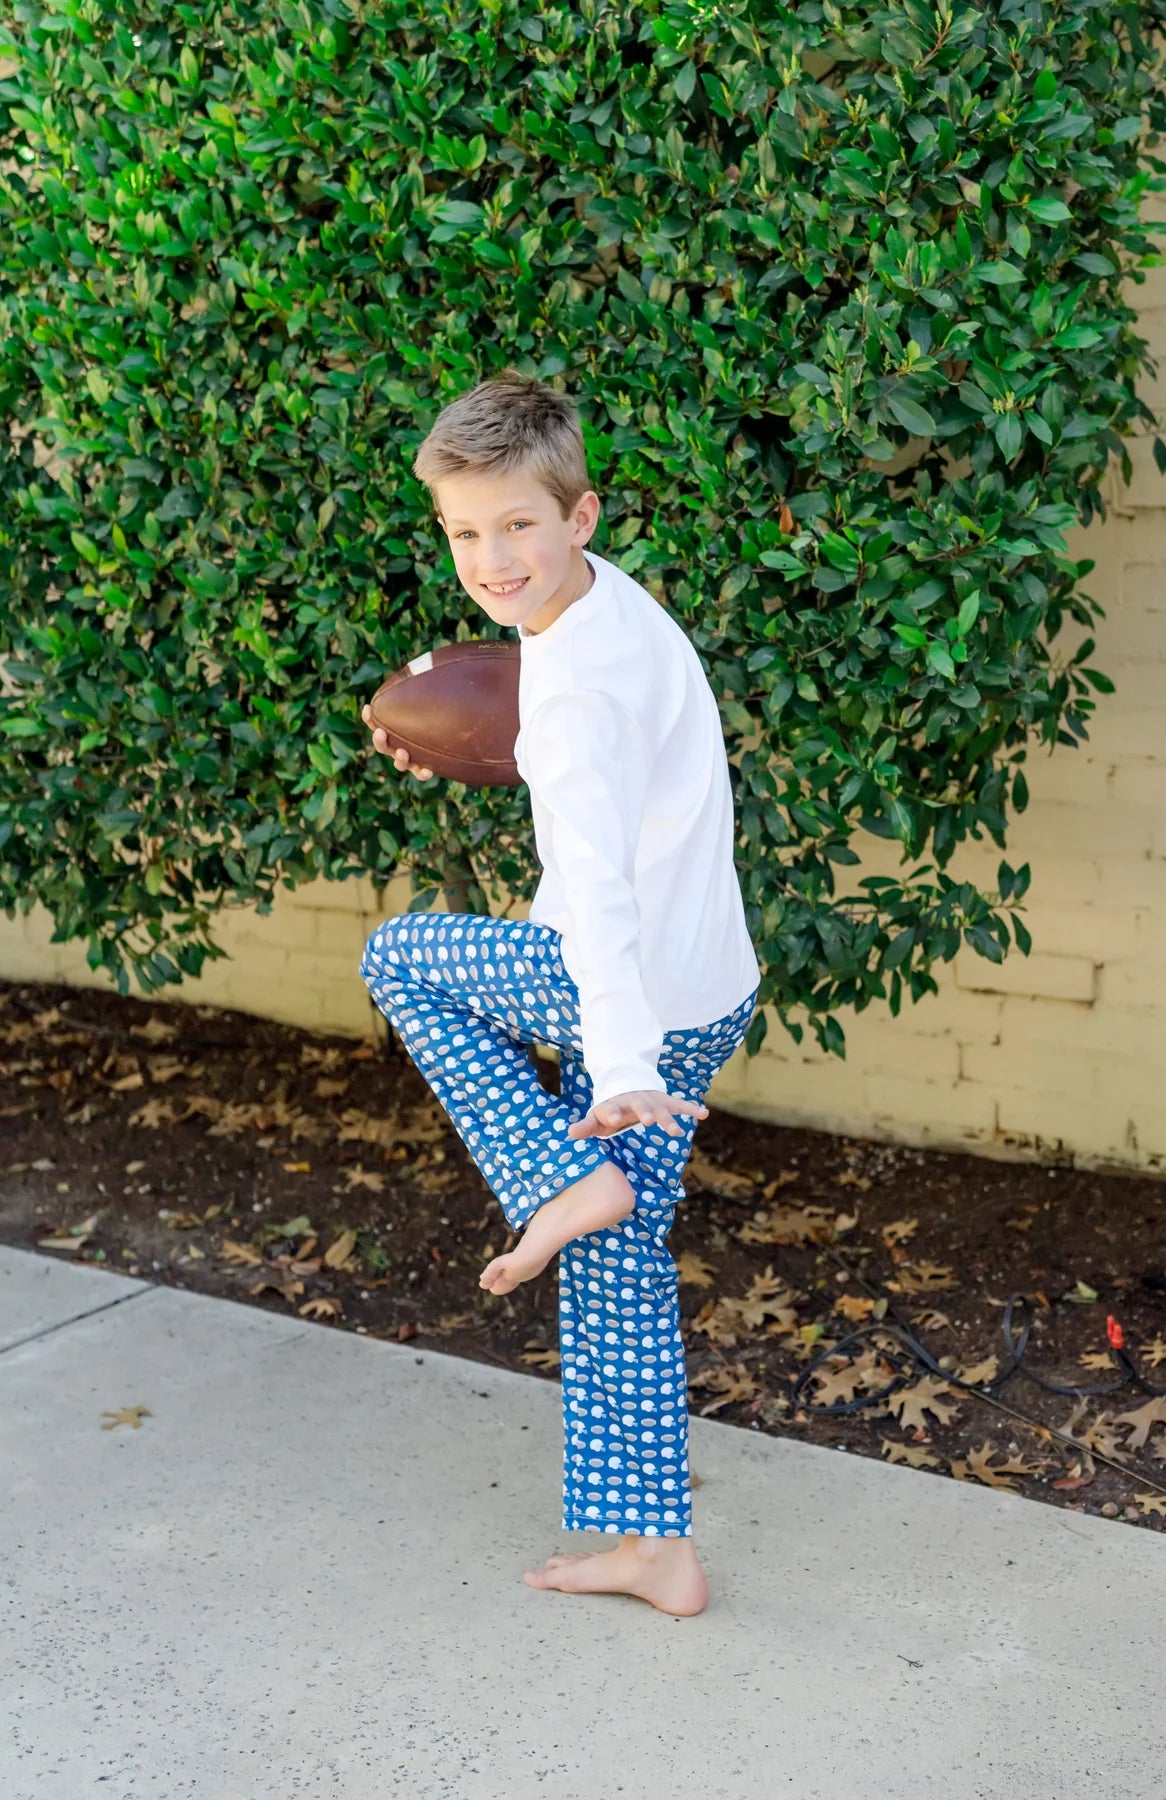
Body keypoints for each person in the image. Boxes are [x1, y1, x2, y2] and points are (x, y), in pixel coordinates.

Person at [358, 368, 760, 1617]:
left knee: (401, 958)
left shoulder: (575, 694)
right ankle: (657, 1551)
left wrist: (623, 1074)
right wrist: (477, 740)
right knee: (618, 1258)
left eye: (518, 526)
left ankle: (553, 1177)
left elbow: (597, 888)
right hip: (706, 985)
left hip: (626, 990)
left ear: (579, 516)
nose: (491, 560)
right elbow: (592, 773)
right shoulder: (601, 609)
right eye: (465, 532)